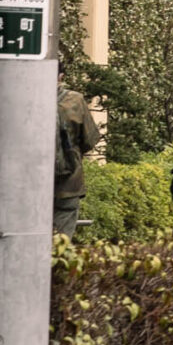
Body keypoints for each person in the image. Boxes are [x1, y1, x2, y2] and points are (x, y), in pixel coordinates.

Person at [54, 83, 100, 237]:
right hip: (68, 183)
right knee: (61, 240)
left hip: (29, 184)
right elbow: (90, 140)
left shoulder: (23, 98)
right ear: (61, 76)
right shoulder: (75, 100)